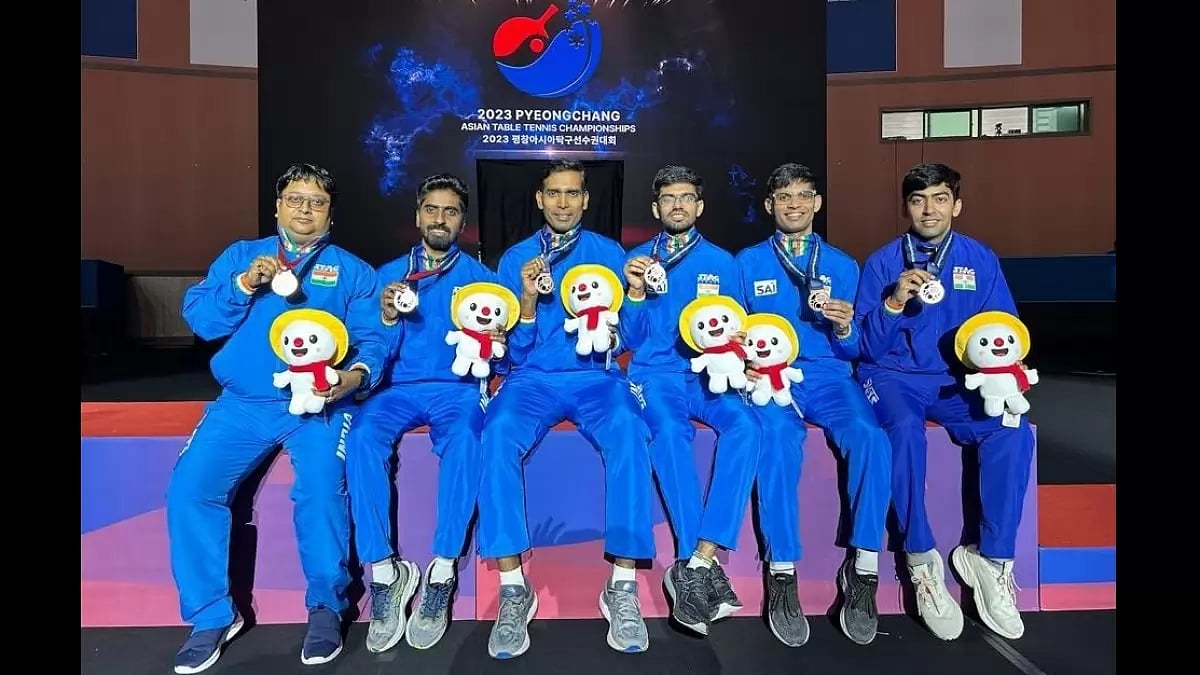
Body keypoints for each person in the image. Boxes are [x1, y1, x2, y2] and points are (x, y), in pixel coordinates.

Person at [167, 163, 388, 673]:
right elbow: (200, 320)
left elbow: (374, 341)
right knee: (189, 489)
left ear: (332, 212)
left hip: (318, 405)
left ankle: (326, 607)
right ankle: (211, 615)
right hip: (242, 404)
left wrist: (351, 380)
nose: (305, 209)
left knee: (320, 489)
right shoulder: (244, 256)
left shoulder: (353, 271)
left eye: (316, 201)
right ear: (277, 207)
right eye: (295, 199)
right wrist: (244, 285)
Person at [476, 159, 656, 658]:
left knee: (629, 428)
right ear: (539, 199)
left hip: (596, 377)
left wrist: (635, 296)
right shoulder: (514, 259)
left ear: (585, 199)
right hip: (531, 379)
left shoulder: (608, 254)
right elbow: (509, 351)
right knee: (495, 435)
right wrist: (528, 304)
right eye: (553, 193)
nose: (562, 202)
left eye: (571, 193)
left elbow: (632, 338)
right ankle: (514, 589)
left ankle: (621, 584)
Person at [854, 162, 1033, 642]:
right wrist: (893, 302)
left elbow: (1003, 330)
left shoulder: (980, 258)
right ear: (906, 208)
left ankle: (990, 558)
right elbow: (864, 348)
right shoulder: (883, 262)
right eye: (917, 200)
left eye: (938, 199)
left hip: (957, 381)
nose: (928, 209)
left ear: (956, 204)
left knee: (1011, 426)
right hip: (892, 376)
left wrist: (1003, 377)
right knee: (903, 432)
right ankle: (921, 560)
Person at [343, 174, 503, 653]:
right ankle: (386, 573)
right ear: (417, 216)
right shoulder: (386, 277)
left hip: (455, 391)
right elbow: (369, 346)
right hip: (395, 389)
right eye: (431, 210)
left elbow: (502, 349)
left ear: (462, 222)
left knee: (467, 439)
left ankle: (442, 570)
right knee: (362, 437)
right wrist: (388, 317)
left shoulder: (483, 282)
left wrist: (495, 346)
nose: (440, 219)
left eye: (450, 212)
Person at [734, 163, 891, 647]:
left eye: (804, 196)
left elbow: (855, 348)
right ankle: (781, 571)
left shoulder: (844, 266)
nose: (795, 204)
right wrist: (744, 364)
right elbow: (732, 333)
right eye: (784, 197)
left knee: (872, 438)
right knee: (777, 439)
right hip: (771, 378)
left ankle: (863, 569)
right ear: (770, 206)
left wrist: (845, 328)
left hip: (827, 377)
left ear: (817, 203)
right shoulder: (746, 263)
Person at [620, 165, 761, 636]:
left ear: (699, 206)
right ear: (656, 208)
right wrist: (635, 292)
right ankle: (694, 560)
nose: (677, 205)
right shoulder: (637, 259)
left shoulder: (725, 262)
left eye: (686, 197)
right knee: (669, 434)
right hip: (655, 375)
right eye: (668, 198)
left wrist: (743, 349)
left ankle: (697, 561)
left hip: (708, 376)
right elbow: (628, 339)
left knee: (746, 426)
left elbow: (740, 327)